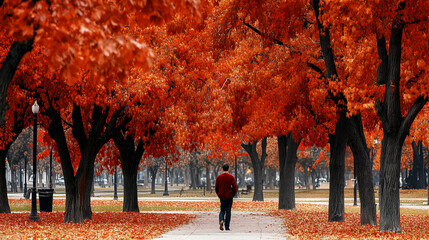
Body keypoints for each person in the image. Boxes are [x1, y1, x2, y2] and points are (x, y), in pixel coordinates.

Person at [215, 163, 237, 231]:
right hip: (229, 196)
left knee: (222, 210)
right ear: (228, 169)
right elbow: (235, 187)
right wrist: (232, 194)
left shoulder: (219, 177)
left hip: (222, 196)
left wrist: (219, 194)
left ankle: (221, 220)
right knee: (228, 211)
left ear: (222, 169)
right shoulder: (231, 177)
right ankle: (227, 226)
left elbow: (216, 187)